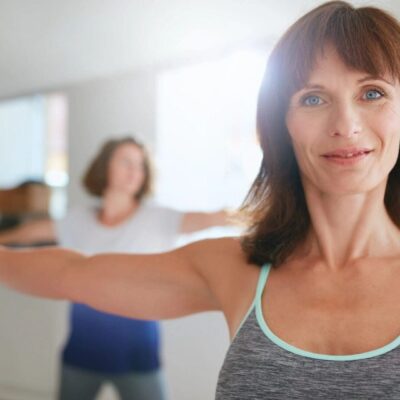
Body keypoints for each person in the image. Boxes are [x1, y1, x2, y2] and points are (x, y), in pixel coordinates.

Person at [1, 1, 400, 398]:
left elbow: (208, 217)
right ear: (283, 125)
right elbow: (72, 273)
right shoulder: (236, 268)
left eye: (372, 92)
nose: (346, 125)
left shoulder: (160, 218)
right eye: (313, 98)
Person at [0, 136, 230, 400]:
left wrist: (254, 214)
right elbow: (32, 232)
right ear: (104, 167)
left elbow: (212, 218)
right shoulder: (78, 219)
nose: (135, 171)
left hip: (138, 355)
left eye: (140, 165)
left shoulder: (158, 219)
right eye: (126, 162)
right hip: (81, 352)